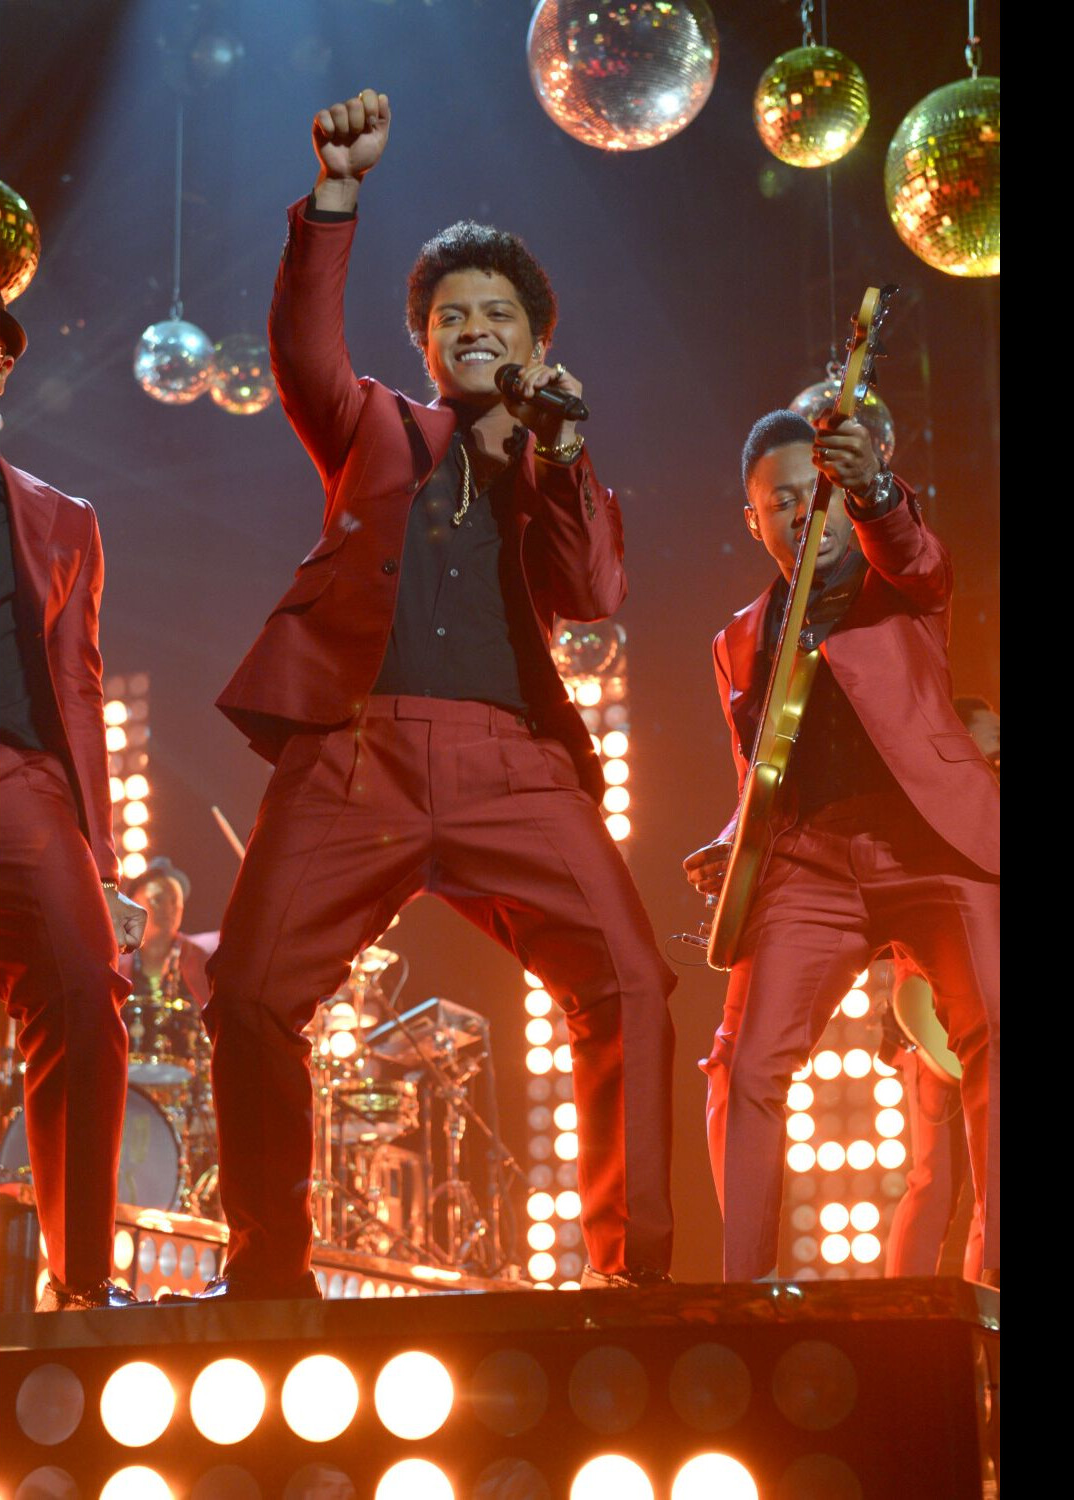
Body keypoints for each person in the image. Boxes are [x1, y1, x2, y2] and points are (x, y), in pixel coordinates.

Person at [193, 89, 676, 1300]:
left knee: (630, 984)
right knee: (247, 993)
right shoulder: (374, 427)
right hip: (355, 757)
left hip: (516, 766)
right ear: (423, 344)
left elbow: (590, 593)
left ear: (534, 344)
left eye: (495, 312)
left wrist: (558, 452)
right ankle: (267, 1275)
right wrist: (337, 198)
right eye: (450, 313)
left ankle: (634, 1280)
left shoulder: (558, 462)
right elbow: (304, 348)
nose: (471, 324)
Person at [683, 408, 999, 1286]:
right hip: (810, 861)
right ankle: (746, 1299)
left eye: (816, 493)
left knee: (995, 1035)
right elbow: (755, 773)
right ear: (755, 522)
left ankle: (998, 1297)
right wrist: (726, 842)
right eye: (782, 502)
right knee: (741, 1065)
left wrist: (874, 493)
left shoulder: (897, 579)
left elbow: (920, 555)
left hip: (933, 844)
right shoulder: (734, 641)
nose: (802, 512)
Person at [0, 294, 147, 1311]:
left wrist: (100, 859)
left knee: (88, 995)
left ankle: (81, 1283)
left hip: (22, 781)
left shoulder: (64, 520)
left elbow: (81, 689)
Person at [882, 694, 999, 1280]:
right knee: (940, 1178)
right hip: (928, 1005)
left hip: (951, 1006)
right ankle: (902, 1315)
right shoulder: (928, 806)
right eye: (989, 732)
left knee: (979, 1179)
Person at [118, 856, 218, 1008]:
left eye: (175, 900)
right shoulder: (114, 962)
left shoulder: (205, 958)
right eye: (158, 899)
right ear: (134, 905)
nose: (169, 908)